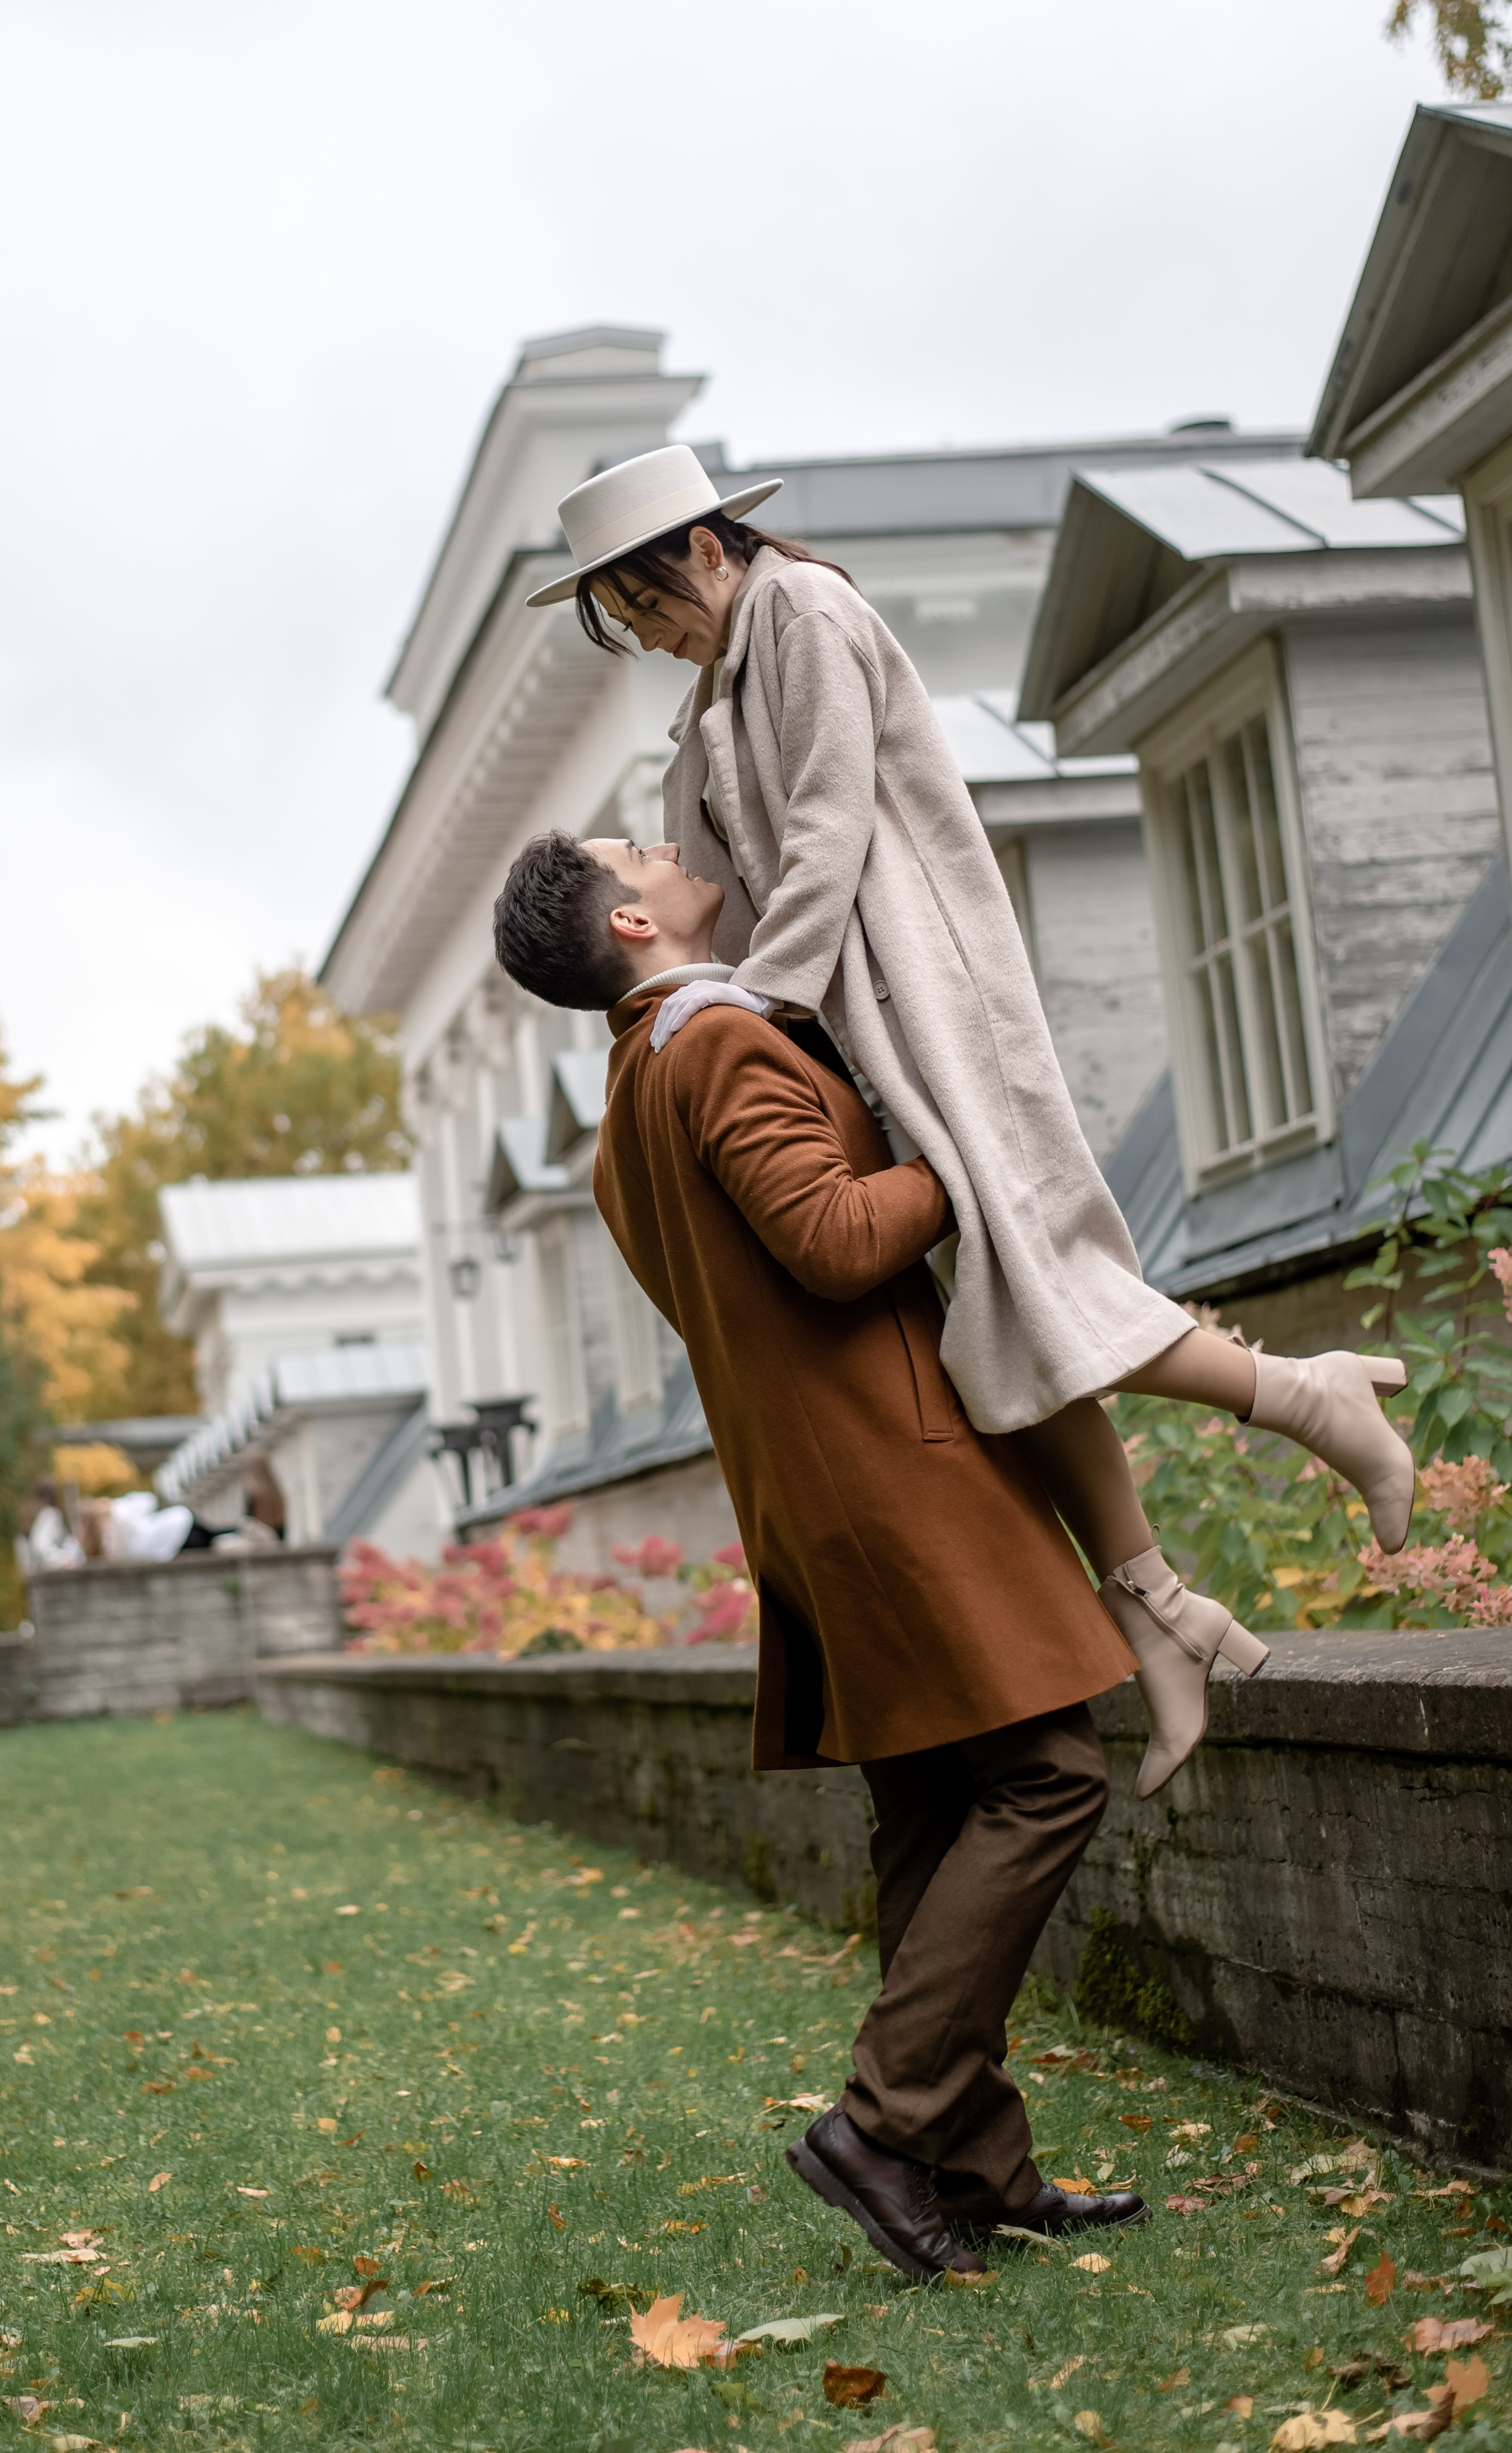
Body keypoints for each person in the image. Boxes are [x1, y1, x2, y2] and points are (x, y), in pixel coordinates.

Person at [522, 445, 1413, 1795]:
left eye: (647, 603)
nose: (649, 636)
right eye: (626, 624)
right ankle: (1156, 1603)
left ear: (705, 549)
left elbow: (823, 834)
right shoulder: (715, 693)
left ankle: (1304, 1396)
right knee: (988, 1333)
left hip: (921, 1001)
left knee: (1034, 1278)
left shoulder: (804, 617)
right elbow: (707, 881)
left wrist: (749, 1013)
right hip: (841, 1016)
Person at [490, 825, 1150, 2282]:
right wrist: (954, 1155)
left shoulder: (629, 1093)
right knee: (1050, 1774)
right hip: (889, 1477)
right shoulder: (711, 1049)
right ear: (628, 916)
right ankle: (881, 2121)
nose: (668, 843)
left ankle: (973, 2171)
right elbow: (839, 1241)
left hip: (819, 1491)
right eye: (639, 846)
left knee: (933, 1810)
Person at [15, 1479, 83, 1578]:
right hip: (49, 1577)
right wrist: (62, 1562)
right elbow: (41, 1547)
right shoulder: (50, 1514)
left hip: (33, 1578)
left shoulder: (29, 1515)